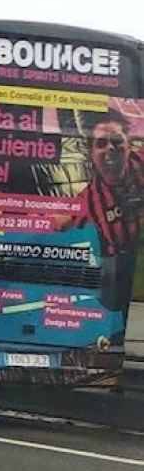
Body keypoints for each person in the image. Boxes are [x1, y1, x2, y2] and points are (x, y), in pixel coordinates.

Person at [79, 110, 143, 326]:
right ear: (90, 152)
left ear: (129, 144)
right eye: (101, 143)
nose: (110, 149)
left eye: (116, 141)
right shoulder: (86, 204)